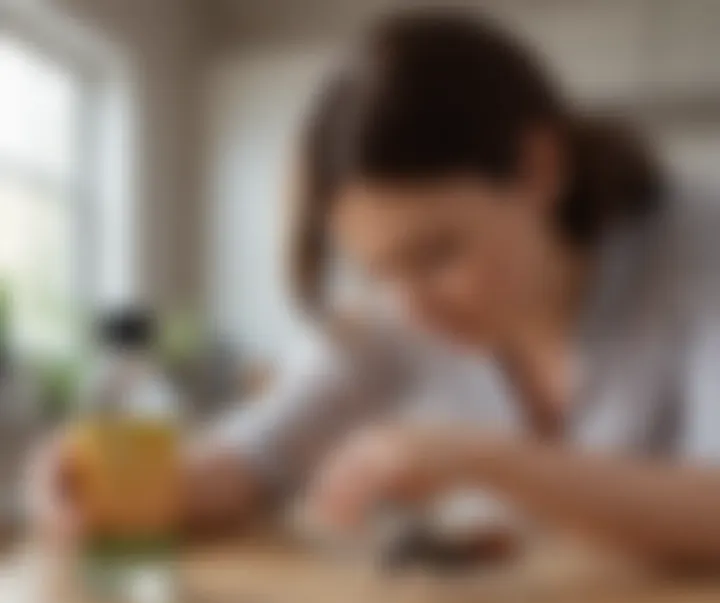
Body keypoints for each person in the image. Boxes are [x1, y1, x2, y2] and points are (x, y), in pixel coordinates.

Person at [30, 10, 720, 565]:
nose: (412, 305)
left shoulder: (699, 247)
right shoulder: (394, 315)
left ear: (538, 169)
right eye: (378, 270)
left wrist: (482, 459)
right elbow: (253, 460)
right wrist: (103, 489)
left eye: (438, 253)